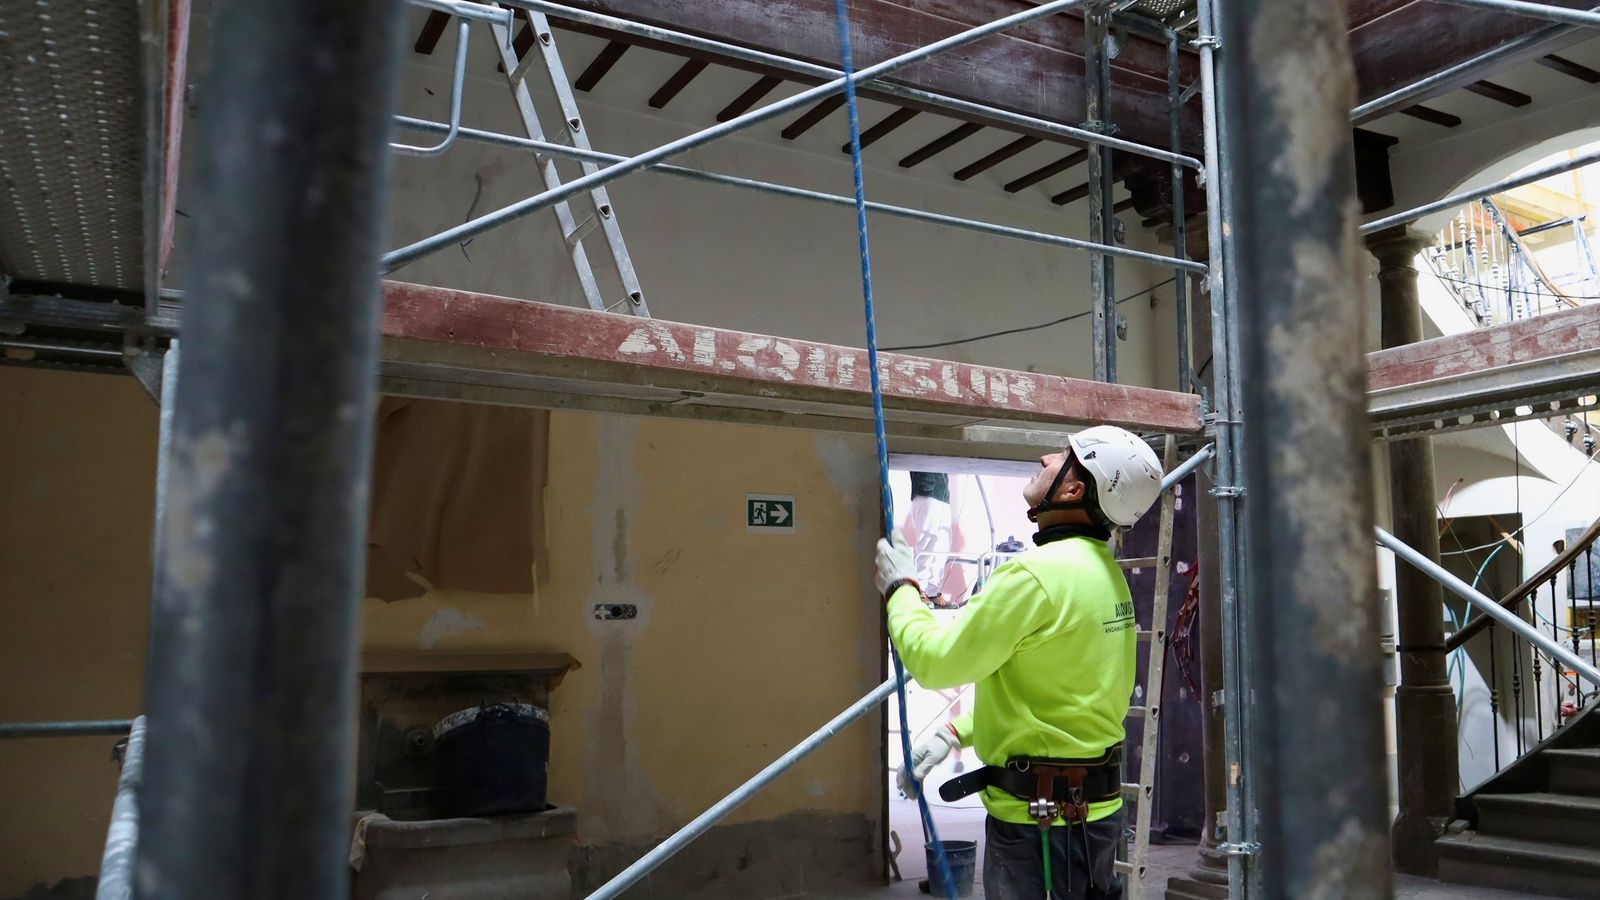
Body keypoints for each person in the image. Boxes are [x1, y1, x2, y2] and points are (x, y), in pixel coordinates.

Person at [875, 425, 1164, 900]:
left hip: (1040, 824)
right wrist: (956, 732)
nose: (1047, 458)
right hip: (1093, 814)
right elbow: (1067, 698)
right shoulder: (1105, 575)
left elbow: (935, 663)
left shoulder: (1034, 576)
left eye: (1064, 456)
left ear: (1072, 490)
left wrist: (900, 590)